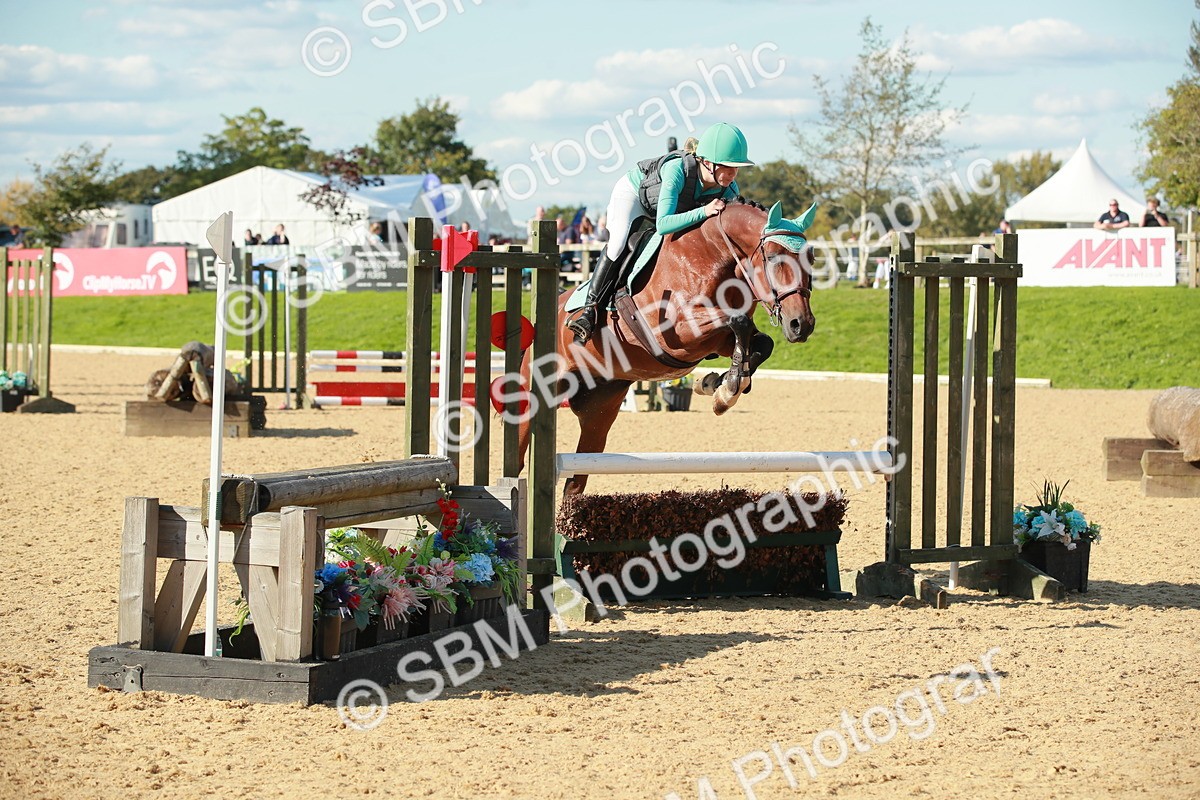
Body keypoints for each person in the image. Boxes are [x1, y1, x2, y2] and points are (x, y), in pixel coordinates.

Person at [566, 122, 753, 345]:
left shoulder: (730, 189)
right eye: (727, 166)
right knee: (618, 243)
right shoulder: (677, 170)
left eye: (736, 167)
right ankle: (589, 310)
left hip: (666, 207)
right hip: (634, 196)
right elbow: (664, 224)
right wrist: (704, 211)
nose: (733, 173)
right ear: (707, 162)